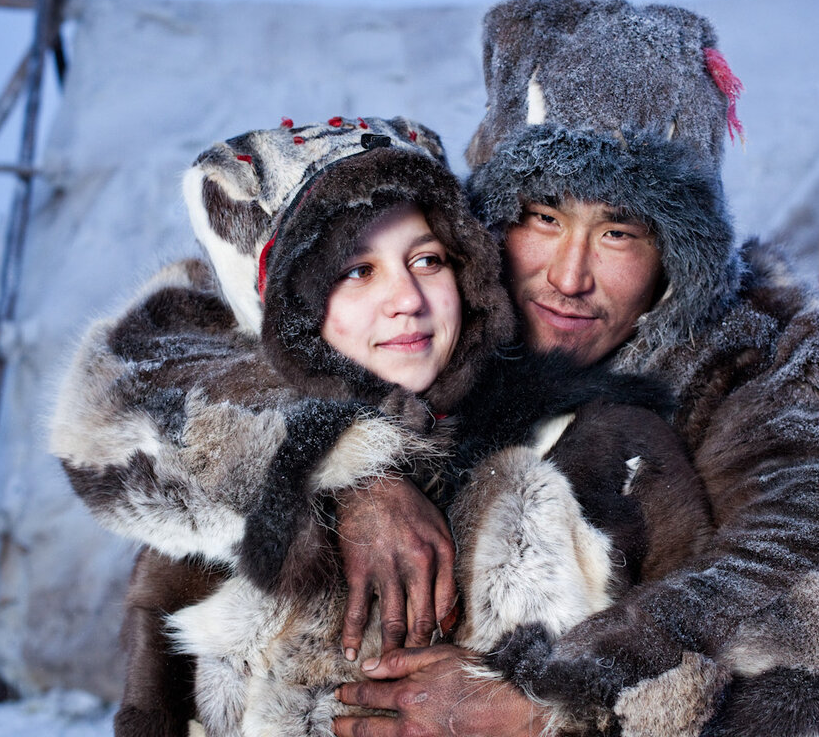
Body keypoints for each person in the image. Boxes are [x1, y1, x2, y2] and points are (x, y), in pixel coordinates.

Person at [330, 0, 819, 737]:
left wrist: (549, 708)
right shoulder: (423, 298)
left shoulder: (759, 358)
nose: (569, 276)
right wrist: (354, 469)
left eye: (618, 232)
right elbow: (191, 360)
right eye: (543, 217)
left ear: (676, 254)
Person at [51, 116, 710, 736]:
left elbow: (701, 675)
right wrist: (357, 469)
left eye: (427, 261)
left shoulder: (604, 447)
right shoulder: (228, 506)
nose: (406, 299)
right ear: (296, 310)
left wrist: (546, 713)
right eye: (357, 271)